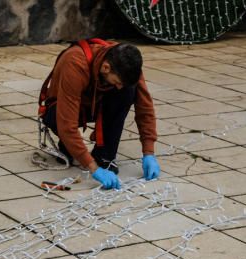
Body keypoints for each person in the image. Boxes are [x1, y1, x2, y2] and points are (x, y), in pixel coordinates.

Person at [39, 39, 160, 190]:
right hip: (61, 109)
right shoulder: (75, 63)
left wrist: (149, 152)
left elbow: (145, 107)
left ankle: (104, 155)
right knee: (61, 122)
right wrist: (93, 168)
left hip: (97, 104)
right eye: (117, 81)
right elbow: (66, 123)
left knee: (128, 91)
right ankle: (68, 147)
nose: (119, 86)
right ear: (106, 67)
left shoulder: (128, 65)